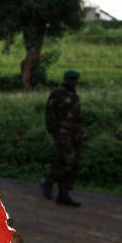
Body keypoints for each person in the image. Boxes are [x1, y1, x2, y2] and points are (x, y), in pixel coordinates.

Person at [42, 70, 84, 207]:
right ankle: (48, 181)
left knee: (75, 162)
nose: (73, 82)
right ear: (65, 79)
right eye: (70, 80)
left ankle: (64, 192)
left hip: (75, 134)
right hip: (62, 133)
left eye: (75, 80)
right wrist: (54, 132)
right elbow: (49, 114)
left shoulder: (74, 95)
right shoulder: (57, 94)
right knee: (68, 160)